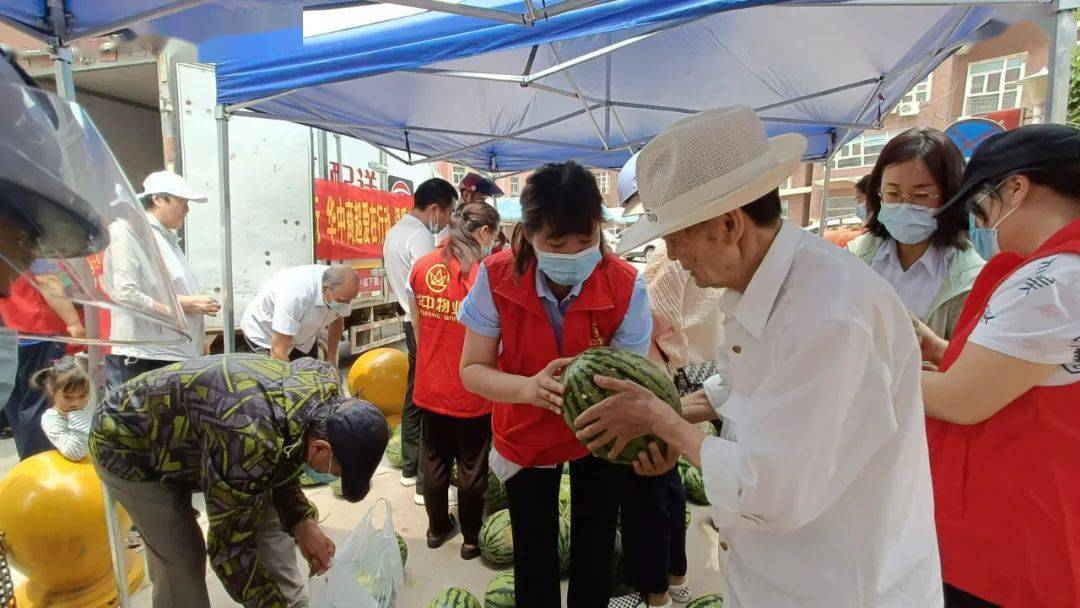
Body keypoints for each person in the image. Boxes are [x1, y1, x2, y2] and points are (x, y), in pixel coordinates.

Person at [575, 106, 942, 607]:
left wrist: (665, 423)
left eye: (676, 237)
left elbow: (771, 489)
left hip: (836, 585)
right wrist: (667, 414)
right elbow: (741, 387)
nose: (674, 256)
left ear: (728, 225)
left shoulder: (828, 313)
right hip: (779, 577)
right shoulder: (763, 286)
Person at [459, 161, 652, 608]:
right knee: (534, 554)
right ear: (527, 234)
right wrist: (528, 389)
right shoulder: (496, 277)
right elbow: (472, 370)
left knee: (596, 548)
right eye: (555, 242)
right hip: (526, 430)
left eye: (586, 241)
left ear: (600, 229)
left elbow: (631, 376)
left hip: (603, 432)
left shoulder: (625, 285)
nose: (572, 253)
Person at [914, 124, 1080, 607]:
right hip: (1040, 514)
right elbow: (1033, 375)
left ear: (1015, 188)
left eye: (981, 207)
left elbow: (962, 402)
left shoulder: (1051, 280)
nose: (986, 227)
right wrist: (940, 351)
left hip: (1007, 536)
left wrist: (872, 367)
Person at [90, 353, 389, 608]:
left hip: (207, 439)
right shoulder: (249, 438)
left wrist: (302, 523)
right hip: (128, 445)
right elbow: (229, 551)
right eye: (333, 472)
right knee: (181, 557)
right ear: (320, 448)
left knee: (270, 524)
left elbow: (285, 452)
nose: (327, 476)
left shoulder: (322, 399)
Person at [406, 202, 500, 560]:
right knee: (472, 465)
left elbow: (417, 326)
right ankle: (472, 539)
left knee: (434, 460)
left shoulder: (422, 266)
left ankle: (436, 528)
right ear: (483, 232)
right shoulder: (485, 273)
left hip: (431, 383)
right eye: (492, 234)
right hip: (471, 386)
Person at [847, 127, 983, 340]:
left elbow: (967, 364)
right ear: (878, 192)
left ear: (950, 196)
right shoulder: (857, 256)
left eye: (921, 195)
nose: (904, 205)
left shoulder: (968, 279)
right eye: (893, 193)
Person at [105, 171, 221, 390]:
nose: (186, 209)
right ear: (157, 199)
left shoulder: (165, 236)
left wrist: (196, 340)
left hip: (175, 352)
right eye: (182, 202)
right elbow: (126, 294)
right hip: (144, 355)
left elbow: (172, 286)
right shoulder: (126, 231)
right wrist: (184, 304)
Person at [383, 177, 458, 500]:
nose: (446, 221)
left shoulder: (395, 231)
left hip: (409, 323)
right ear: (433, 209)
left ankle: (410, 468)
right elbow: (430, 288)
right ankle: (424, 485)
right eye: (447, 213)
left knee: (414, 398)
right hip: (425, 325)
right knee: (431, 402)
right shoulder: (421, 239)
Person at [0, 263, 85, 459]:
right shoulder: (29, 238)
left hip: (9, 335)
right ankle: (41, 463)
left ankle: (29, 462)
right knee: (39, 407)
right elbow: (48, 280)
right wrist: (73, 322)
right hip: (36, 331)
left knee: (17, 408)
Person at [241, 264, 358, 363]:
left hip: (302, 338)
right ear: (325, 288)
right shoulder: (296, 295)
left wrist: (331, 358)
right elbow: (277, 351)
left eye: (350, 300)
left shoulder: (344, 292)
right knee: (273, 383)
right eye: (342, 301)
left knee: (310, 378)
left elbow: (337, 320)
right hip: (266, 336)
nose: (346, 304)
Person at [33, 355, 91, 461]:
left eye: (82, 396)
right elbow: (75, 453)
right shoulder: (52, 419)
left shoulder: (94, 404)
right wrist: (79, 414)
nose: (75, 403)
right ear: (51, 389)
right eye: (67, 397)